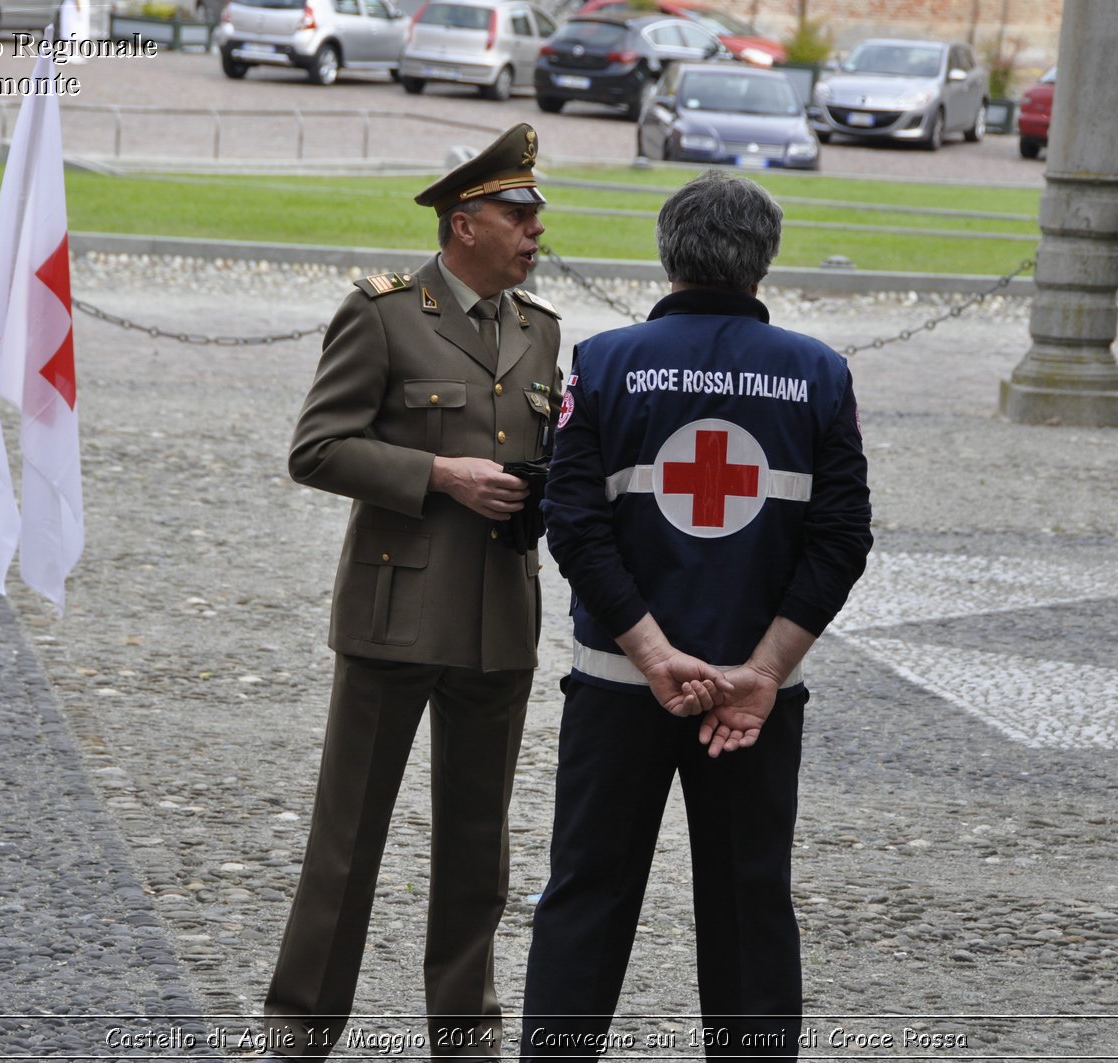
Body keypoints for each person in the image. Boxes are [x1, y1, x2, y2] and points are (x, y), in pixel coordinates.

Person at [520, 170, 874, 1059]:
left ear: (667, 252)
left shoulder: (602, 363)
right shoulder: (820, 375)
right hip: (753, 705)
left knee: (586, 898)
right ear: (766, 260)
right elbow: (841, 540)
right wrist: (761, 672)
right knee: (751, 906)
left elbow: (573, 523)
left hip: (617, 689)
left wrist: (648, 653)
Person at [263, 123, 563, 1061]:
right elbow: (316, 448)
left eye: (534, 216)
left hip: (500, 614)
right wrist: (442, 474)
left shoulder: (542, 331)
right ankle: (303, 1020)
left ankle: (465, 1027)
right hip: (397, 612)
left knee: (480, 844)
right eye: (517, 215)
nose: (533, 232)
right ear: (464, 223)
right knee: (349, 832)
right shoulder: (386, 313)